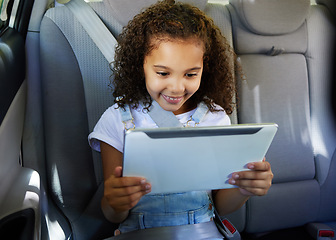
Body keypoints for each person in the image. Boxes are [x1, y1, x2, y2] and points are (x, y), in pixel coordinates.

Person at [88, 0, 273, 236]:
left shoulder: (214, 118)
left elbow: (221, 206)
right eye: (163, 73)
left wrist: (244, 188)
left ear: (204, 68)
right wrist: (115, 201)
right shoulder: (117, 119)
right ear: (140, 64)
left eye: (191, 74)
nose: (176, 87)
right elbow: (113, 213)